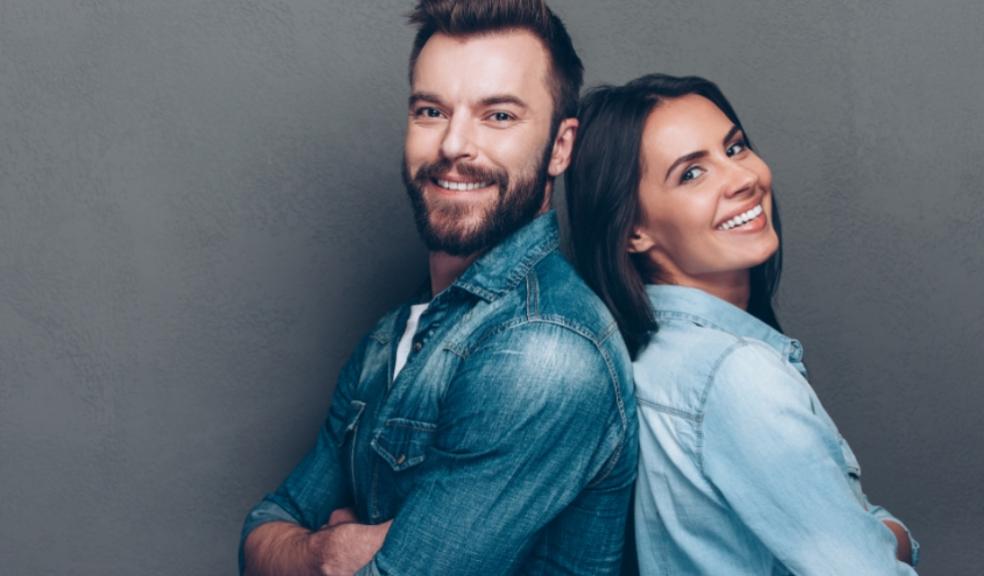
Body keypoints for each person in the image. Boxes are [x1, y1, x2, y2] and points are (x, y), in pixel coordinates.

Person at [239, 2, 638, 575]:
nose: (453, 146)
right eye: (431, 111)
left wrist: (305, 555)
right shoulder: (395, 334)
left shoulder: (544, 352)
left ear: (560, 147)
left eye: (498, 116)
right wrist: (324, 554)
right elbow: (261, 531)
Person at [565, 73, 919, 575]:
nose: (743, 178)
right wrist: (889, 535)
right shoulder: (734, 375)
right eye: (691, 173)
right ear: (633, 231)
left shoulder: (657, 363)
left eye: (734, 148)